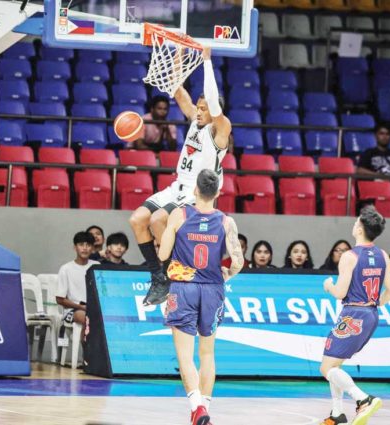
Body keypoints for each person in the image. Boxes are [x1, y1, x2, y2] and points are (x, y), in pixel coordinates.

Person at [128, 47, 231, 306]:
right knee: (138, 219)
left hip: (196, 194)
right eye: (197, 107)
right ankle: (158, 276)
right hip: (177, 186)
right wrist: (178, 58)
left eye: (204, 108)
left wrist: (206, 61)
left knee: (158, 219)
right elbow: (177, 90)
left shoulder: (220, 132)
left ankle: (176, 270)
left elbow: (212, 101)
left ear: (215, 111)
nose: (198, 111)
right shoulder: (195, 122)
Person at [159, 170, 243, 425]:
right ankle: (204, 409)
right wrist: (226, 274)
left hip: (184, 287)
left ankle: (197, 407)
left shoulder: (180, 214)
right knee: (207, 353)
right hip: (213, 288)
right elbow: (238, 261)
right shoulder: (227, 222)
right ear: (218, 192)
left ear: (195, 190)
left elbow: (163, 255)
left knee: (185, 355)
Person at [320, 206, 390, 425]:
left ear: (361, 228)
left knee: (326, 368)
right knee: (335, 365)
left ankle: (363, 399)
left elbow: (340, 293)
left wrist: (328, 286)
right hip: (371, 314)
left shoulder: (350, 256)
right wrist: (371, 306)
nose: (354, 224)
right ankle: (337, 414)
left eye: (356, 222)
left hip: (353, 313)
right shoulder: (383, 254)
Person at [56, 232, 99, 344]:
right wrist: (80, 306)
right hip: (73, 310)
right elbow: (60, 299)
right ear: (75, 247)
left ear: (93, 248)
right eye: (81, 244)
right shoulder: (66, 269)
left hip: (94, 308)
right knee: (87, 318)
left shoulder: (96, 266)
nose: (85, 248)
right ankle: (86, 351)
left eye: (88, 245)